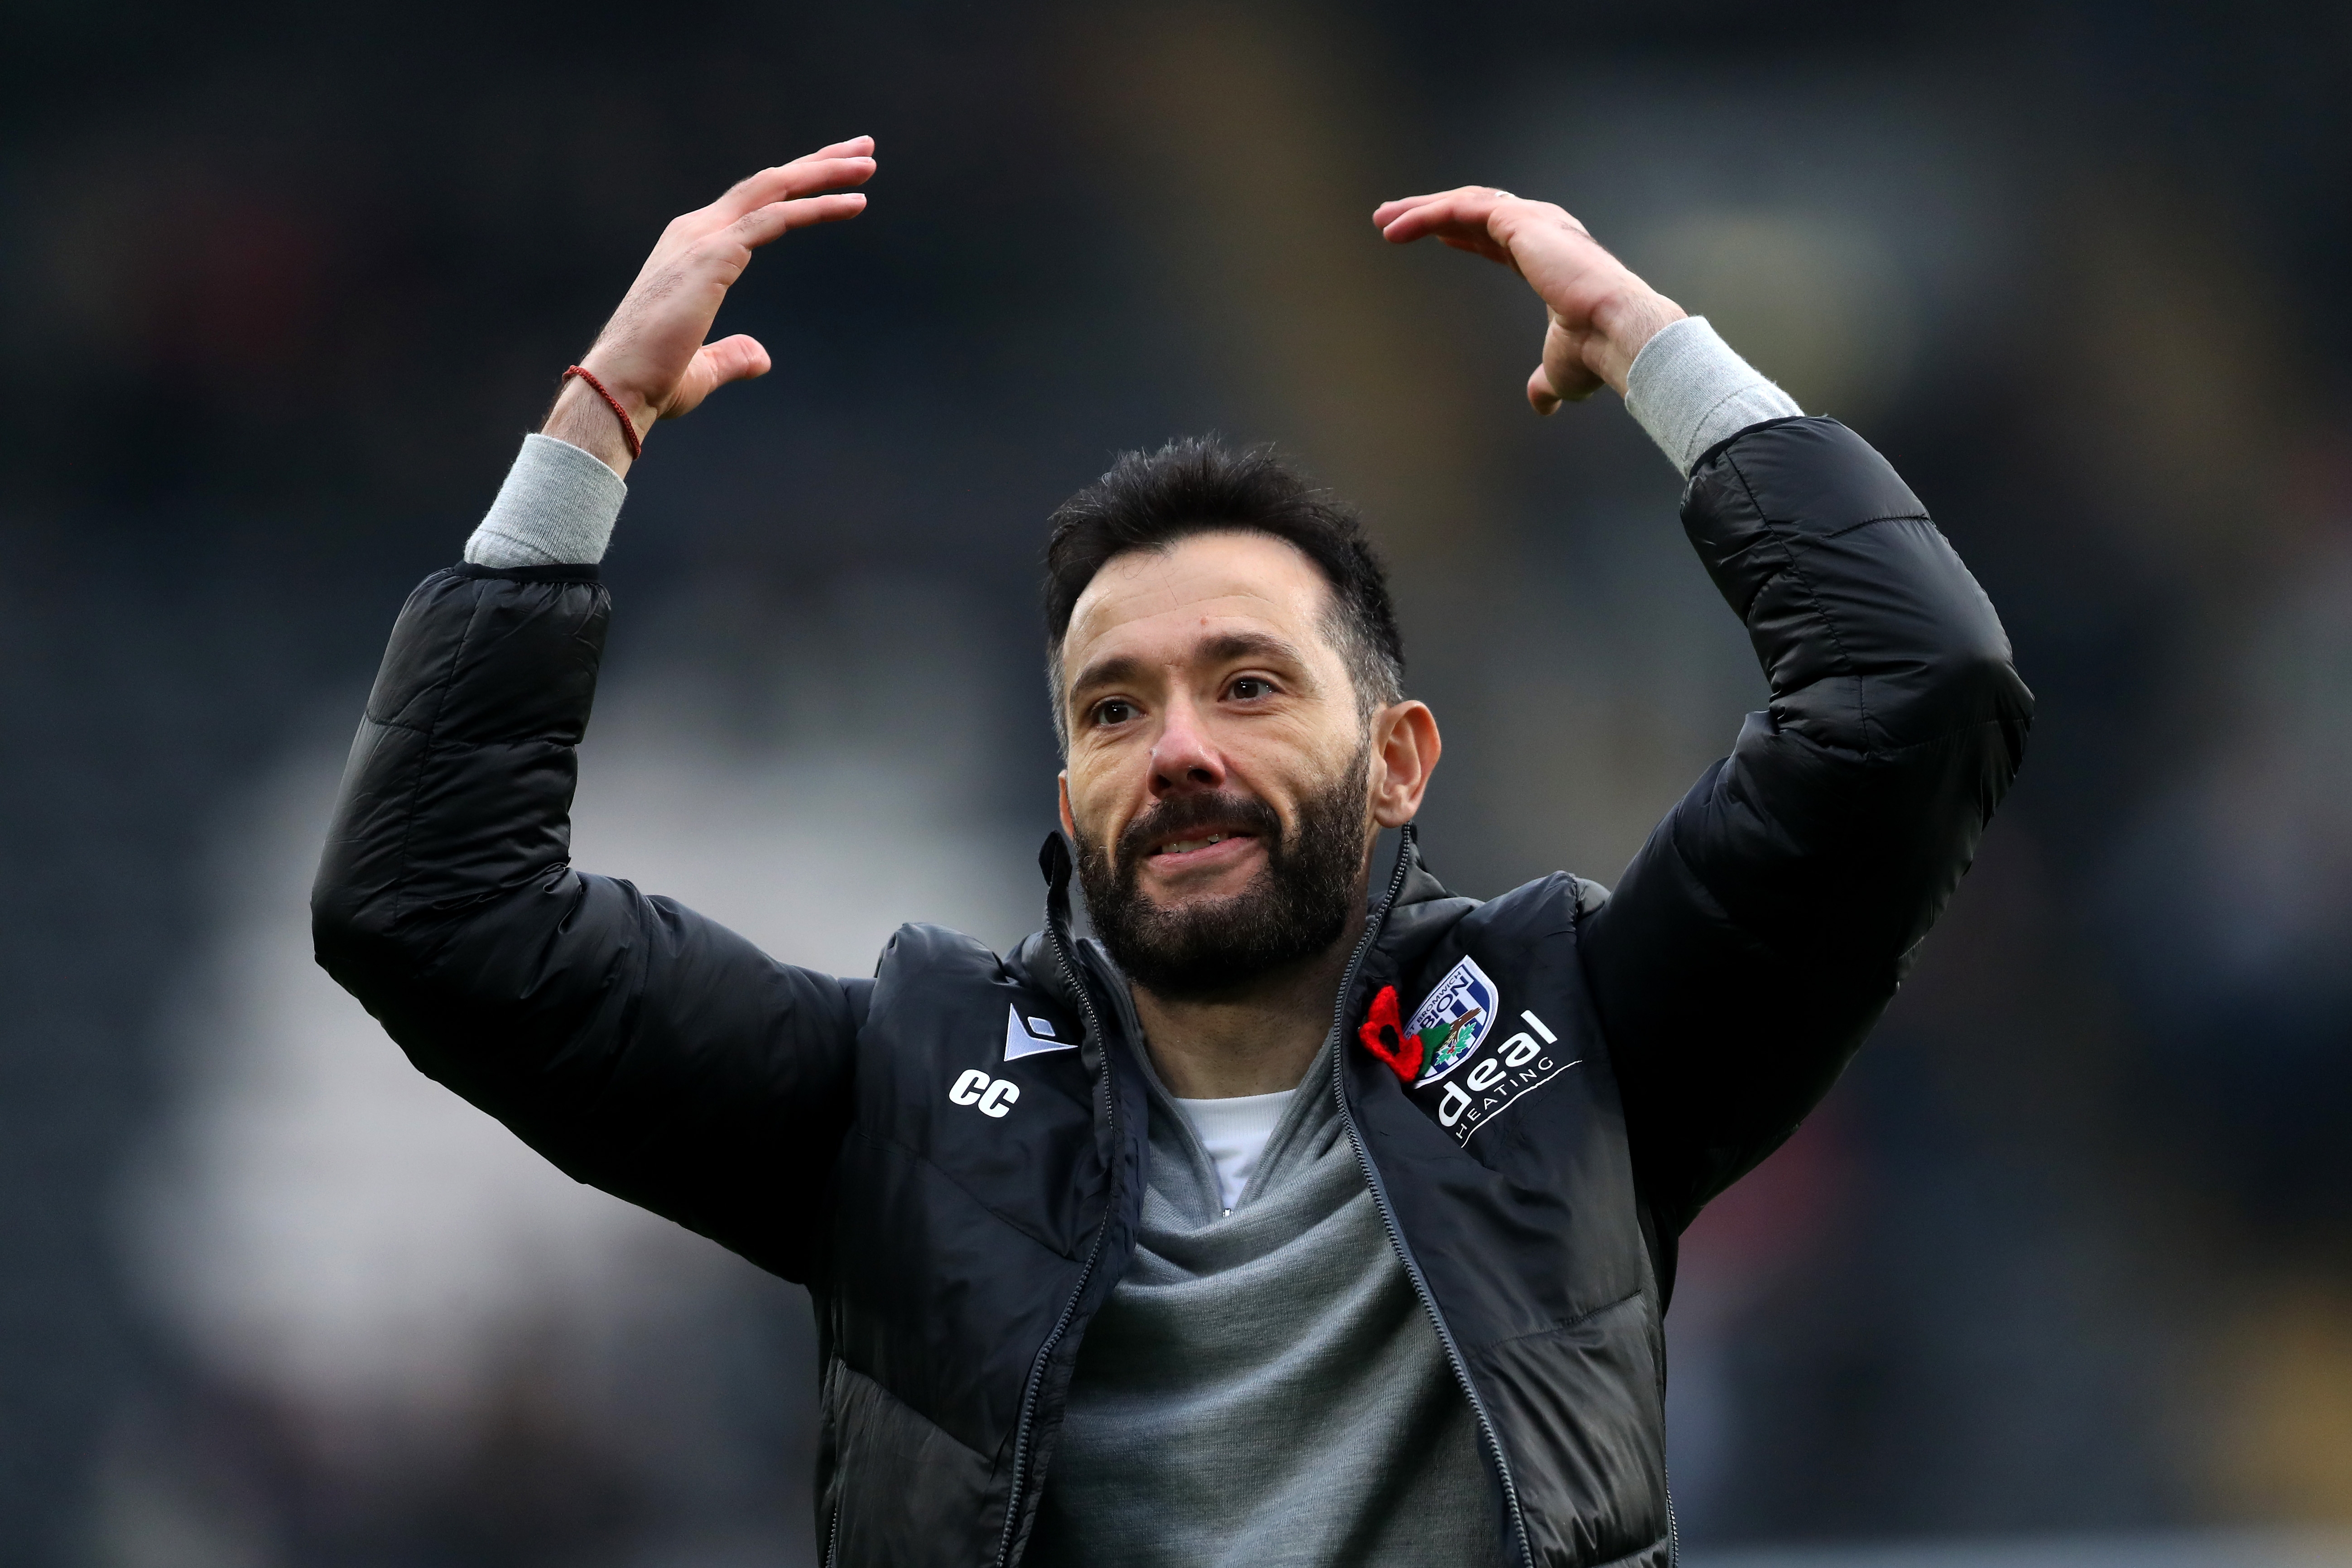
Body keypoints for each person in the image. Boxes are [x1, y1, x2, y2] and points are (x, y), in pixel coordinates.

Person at [313, 134, 2031, 1568]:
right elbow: (429, 908)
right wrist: (593, 427)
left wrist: (1657, 346)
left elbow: (1916, 686)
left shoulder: (1583, 1032)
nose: (1181, 749)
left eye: (1249, 683)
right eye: (1115, 710)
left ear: (1401, 760)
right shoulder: (899, 1093)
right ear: (1067, 802)